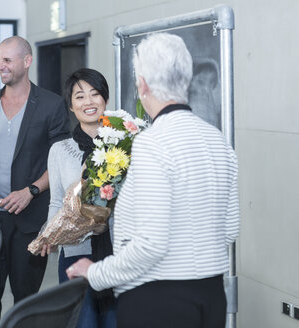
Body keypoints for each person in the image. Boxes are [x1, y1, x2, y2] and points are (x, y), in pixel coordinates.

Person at [67, 33, 240, 328]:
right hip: (211, 295)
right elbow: (230, 228)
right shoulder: (218, 139)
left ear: (143, 85)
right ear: (185, 79)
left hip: (160, 300)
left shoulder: (152, 143)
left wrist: (95, 273)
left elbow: (150, 245)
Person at [0, 35, 70, 321]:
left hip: (30, 218)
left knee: (26, 301)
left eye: (7, 60)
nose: (1, 66)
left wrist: (31, 191)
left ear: (27, 61)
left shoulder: (51, 104)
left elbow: (62, 159)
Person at [41, 68, 116, 328]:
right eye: (80, 96)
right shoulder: (59, 150)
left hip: (117, 255)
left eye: (95, 94)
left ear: (105, 99)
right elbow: (56, 201)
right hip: (75, 251)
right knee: (81, 323)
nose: (89, 102)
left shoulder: (123, 143)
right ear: (71, 106)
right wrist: (49, 234)